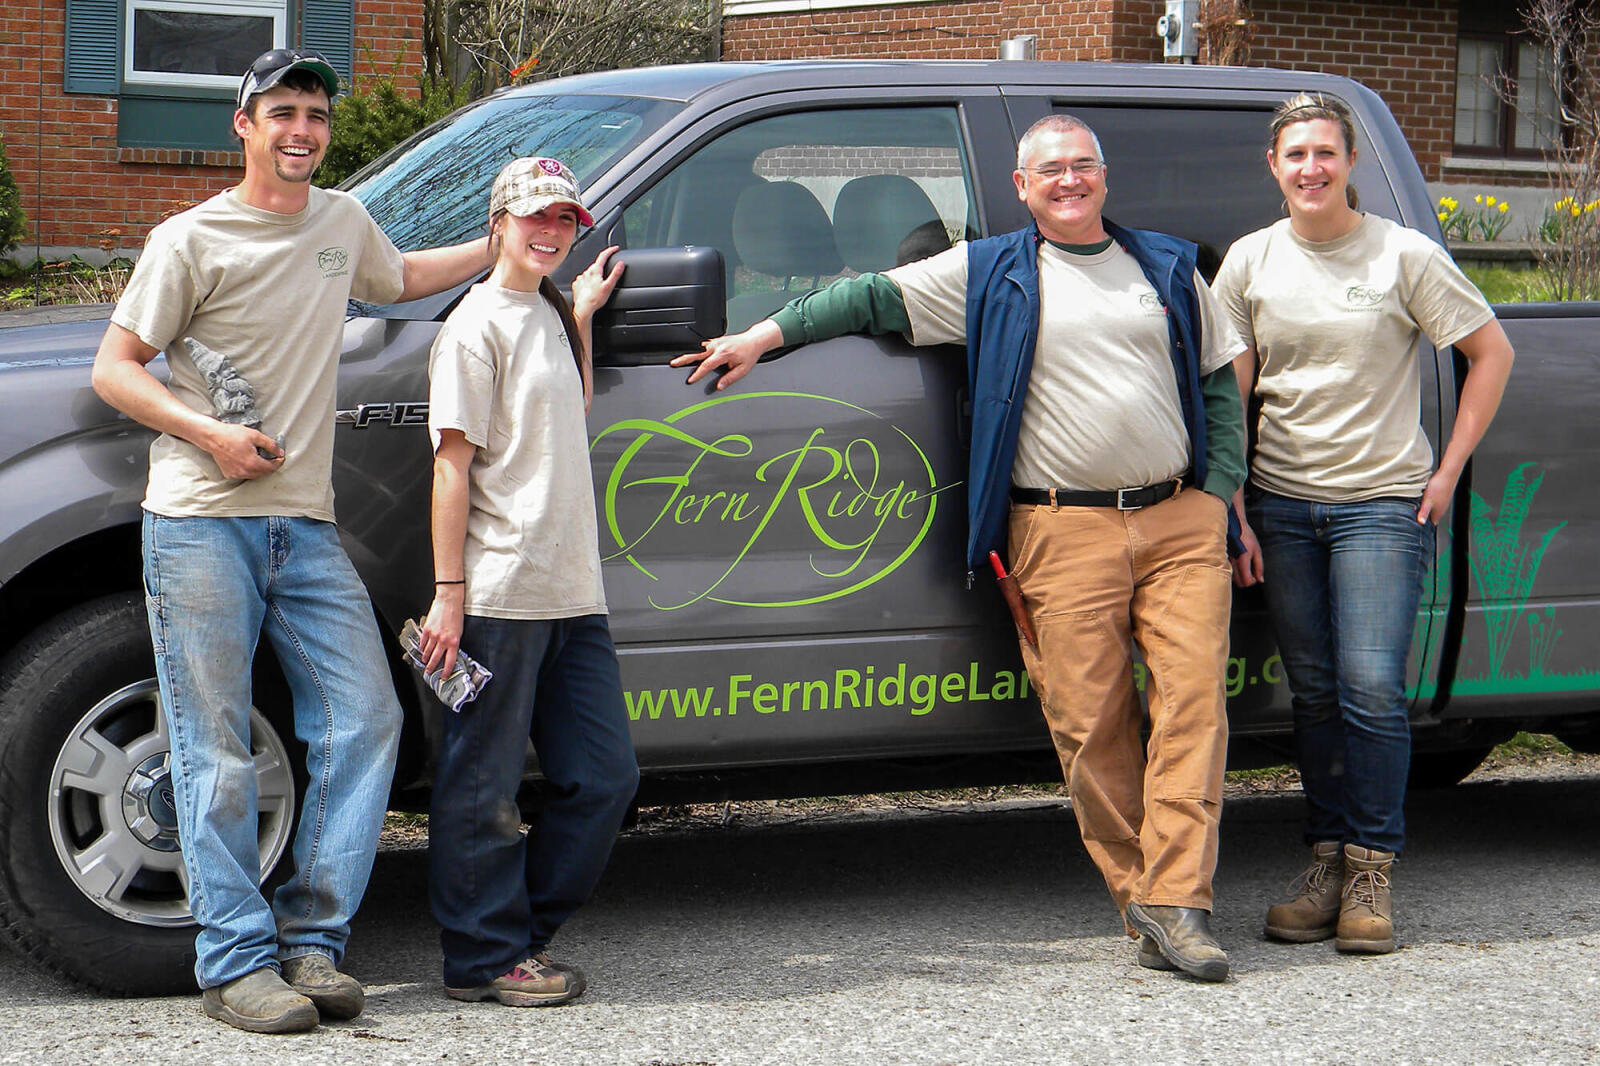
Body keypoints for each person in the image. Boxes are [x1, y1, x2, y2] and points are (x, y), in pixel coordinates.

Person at [673, 114, 1247, 981]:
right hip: (1062, 526)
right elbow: (864, 296)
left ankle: (1183, 903)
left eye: (1082, 166)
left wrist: (1216, 495)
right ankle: (1144, 899)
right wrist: (762, 335)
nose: (1068, 180)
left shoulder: (1166, 265)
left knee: (1194, 708)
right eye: (1049, 169)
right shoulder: (988, 274)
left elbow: (1217, 379)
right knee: (1090, 725)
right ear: (1021, 187)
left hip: (1178, 522)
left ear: (1104, 175)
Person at [91, 48, 496, 1033]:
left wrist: (502, 247)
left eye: (314, 113)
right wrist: (210, 432)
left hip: (304, 525)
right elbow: (117, 366)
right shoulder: (188, 240)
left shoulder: (340, 222)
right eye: (282, 113)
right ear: (244, 125)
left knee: (365, 718)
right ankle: (234, 963)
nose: (301, 130)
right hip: (198, 523)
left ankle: (312, 941)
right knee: (215, 747)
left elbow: (397, 276)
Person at [1214, 93, 1515, 954]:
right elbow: (1233, 389)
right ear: (1273, 167)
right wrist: (1232, 499)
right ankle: (1326, 864)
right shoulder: (1250, 260)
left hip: (1382, 502)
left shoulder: (1402, 254)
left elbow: (1490, 352)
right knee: (1314, 693)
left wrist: (1449, 467)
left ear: (1350, 162)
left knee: (1372, 688)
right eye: (1295, 154)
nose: (1311, 167)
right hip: (1281, 499)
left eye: (1325, 153)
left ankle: (1373, 867)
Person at [414, 156, 640, 1008]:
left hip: (573, 590)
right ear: (499, 221)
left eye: (565, 220)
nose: (552, 232)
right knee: (482, 786)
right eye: (536, 217)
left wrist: (580, 314)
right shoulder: (476, 327)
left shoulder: (543, 309)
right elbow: (451, 467)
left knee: (606, 777)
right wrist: (448, 594)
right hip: (502, 593)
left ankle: (519, 935)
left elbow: (570, 407)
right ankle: (483, 957)